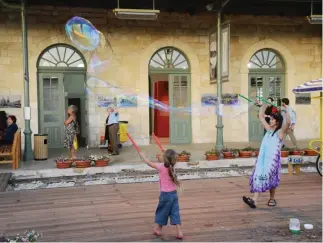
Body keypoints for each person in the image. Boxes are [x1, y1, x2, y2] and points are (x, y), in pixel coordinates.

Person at [242, 101, 290, 208]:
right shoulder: (268, 130)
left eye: (273, 119)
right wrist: (264, 104)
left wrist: (286, 110)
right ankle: (254, 200)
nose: (270, 120)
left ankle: (272, 198)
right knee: (260, 176)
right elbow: (261, 116)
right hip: (263, 160)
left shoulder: (280, 133)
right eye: (271, 119)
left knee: (271, 179)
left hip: (273, 161)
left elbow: (287, 123)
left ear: (277, 122)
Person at [139, 149, 184, 239]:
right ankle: (179, 232)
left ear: (165, 159)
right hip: (174, 195)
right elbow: (165, 163)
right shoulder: (173, 166)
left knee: (162, 212)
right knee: (175, 213)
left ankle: (158, 229)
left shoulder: (161, 167)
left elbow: (149, 163)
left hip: (165, 195)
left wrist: (143, 156)